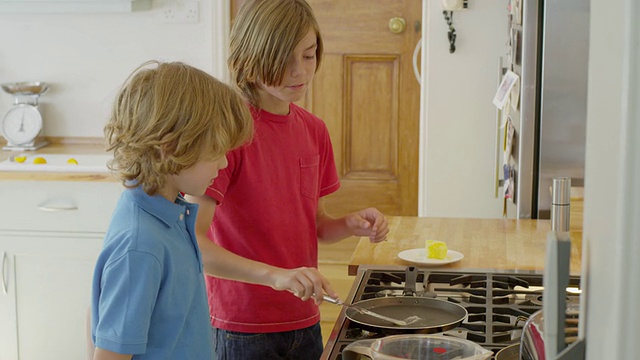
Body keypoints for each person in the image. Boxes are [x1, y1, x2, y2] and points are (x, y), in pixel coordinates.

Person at [186, 0, 390, 358]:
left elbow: (318, 226)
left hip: (305, 316)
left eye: (308, 56)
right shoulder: (227, 134)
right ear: (250, 58)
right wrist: (275, 277)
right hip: (241, 326)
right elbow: (194, 244)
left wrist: (350, 223)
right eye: (284, 60)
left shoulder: (314, 131)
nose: (300, 72)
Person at [90, 60, 253, 360]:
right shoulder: (141, 246)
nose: (224, 163)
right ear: (172, 146)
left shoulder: (170, 213)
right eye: (217, 151)